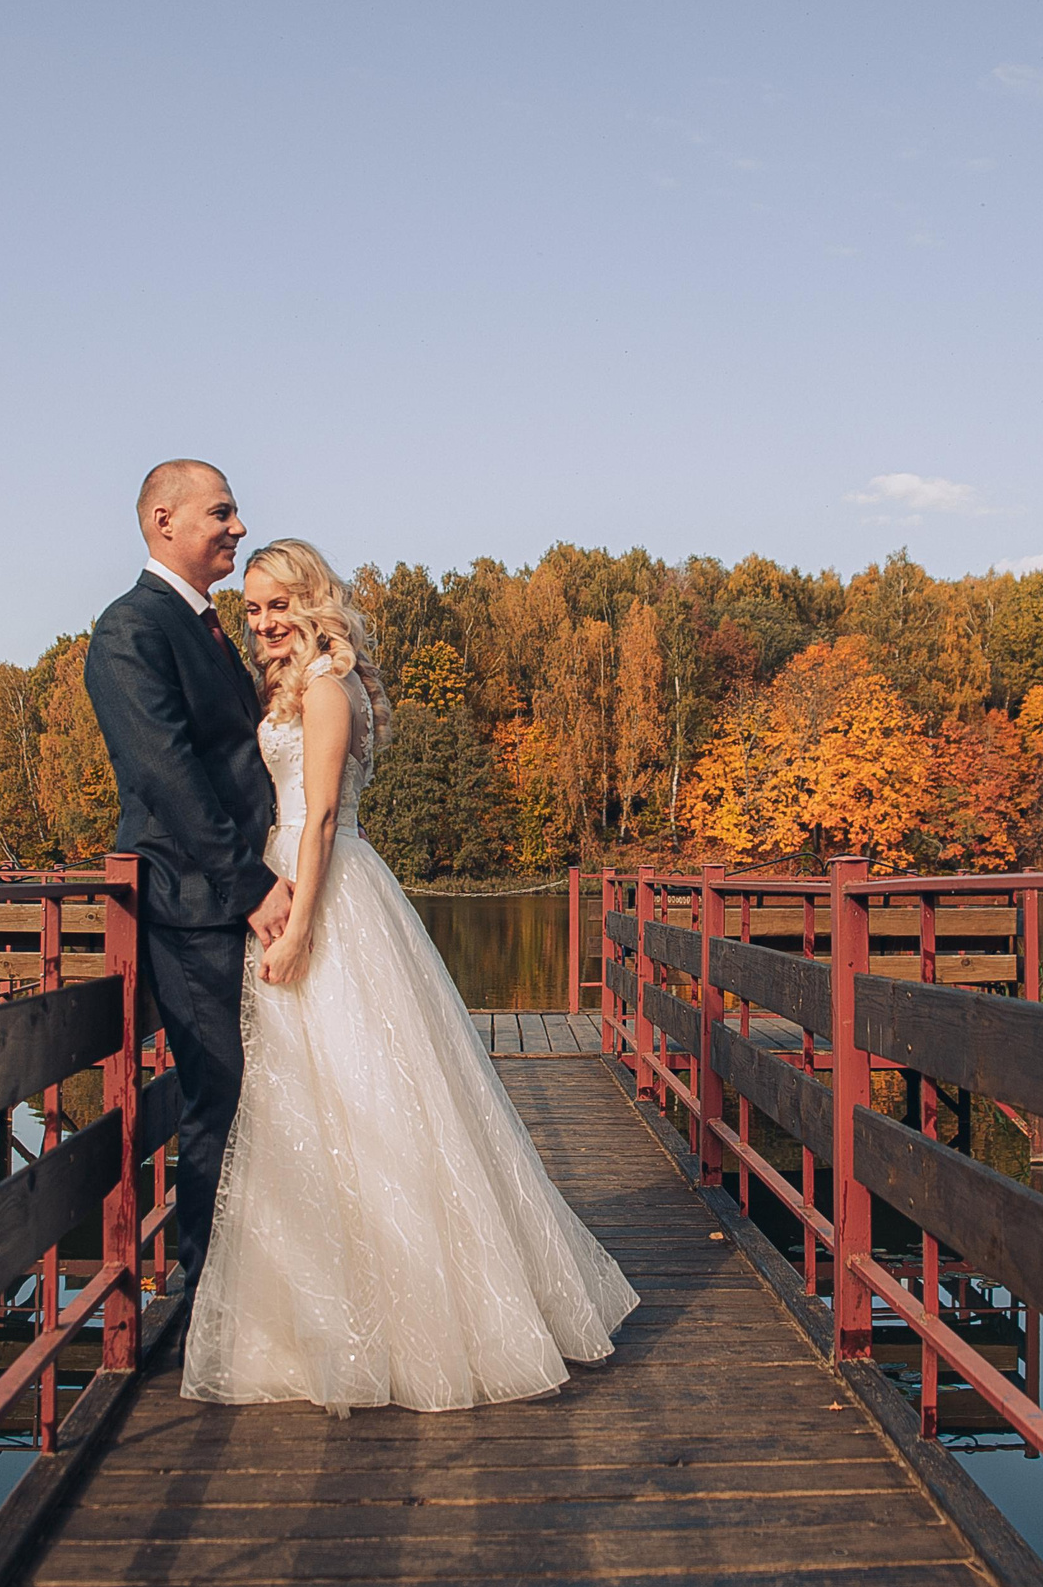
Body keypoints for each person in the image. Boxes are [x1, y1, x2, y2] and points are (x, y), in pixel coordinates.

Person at [179, 537, 637, 1413]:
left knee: (367, 1098)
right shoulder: (286, 683)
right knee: (301, 1107)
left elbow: (315, 823)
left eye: (280, 604)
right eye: (253, 609)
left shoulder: (325, 687)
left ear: (314, 601)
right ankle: (319, 1321)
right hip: (290, 880)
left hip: (325, 893)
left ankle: (410, 1324)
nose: (266, 621)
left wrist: (298, 928)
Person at [83, 460, 292, 1291]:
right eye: (223, 512)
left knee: (261, 1093)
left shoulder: (201, 626)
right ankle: (207, 1297)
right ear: (164, 520)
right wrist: (251, 888)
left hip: (242, 898)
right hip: (200, 907)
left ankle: (254, 1285)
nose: (239, 527)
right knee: (221, 1095)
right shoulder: (130, 629)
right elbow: (169, 776)